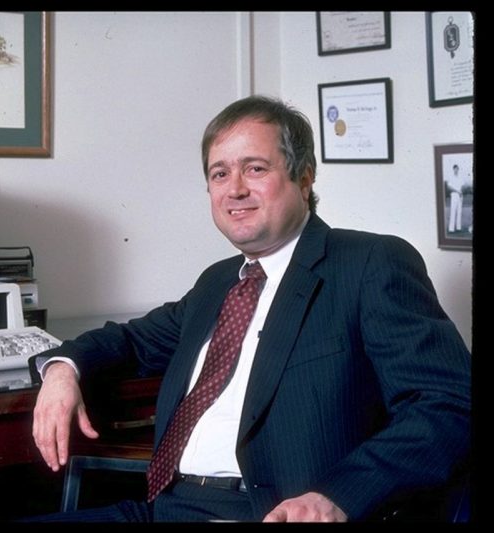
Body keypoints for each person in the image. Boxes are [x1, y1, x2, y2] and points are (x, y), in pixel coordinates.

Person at [29, 95, 471, 522]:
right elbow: (130, 339)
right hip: (164, 508)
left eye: (255, 169)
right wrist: (63, 368)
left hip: (268, 513)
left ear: (304, 178)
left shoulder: (368, 264)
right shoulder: (218, 283)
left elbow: (448, 404)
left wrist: (337, 495)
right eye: (219, 174)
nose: (235, 189)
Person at [446, 163, 464, 233]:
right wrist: (457, 191)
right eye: (455, 169)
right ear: (453, 169)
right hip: (454, 195)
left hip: (460, 195)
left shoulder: (460, 177)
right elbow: (449, 187)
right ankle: (451, 229)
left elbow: (462, 185)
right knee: (453, 211)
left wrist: (460, 192)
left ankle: (458, 228)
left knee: (459, 211)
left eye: (457, 169)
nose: (456, 170)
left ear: (458, 169)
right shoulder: (451, 177)